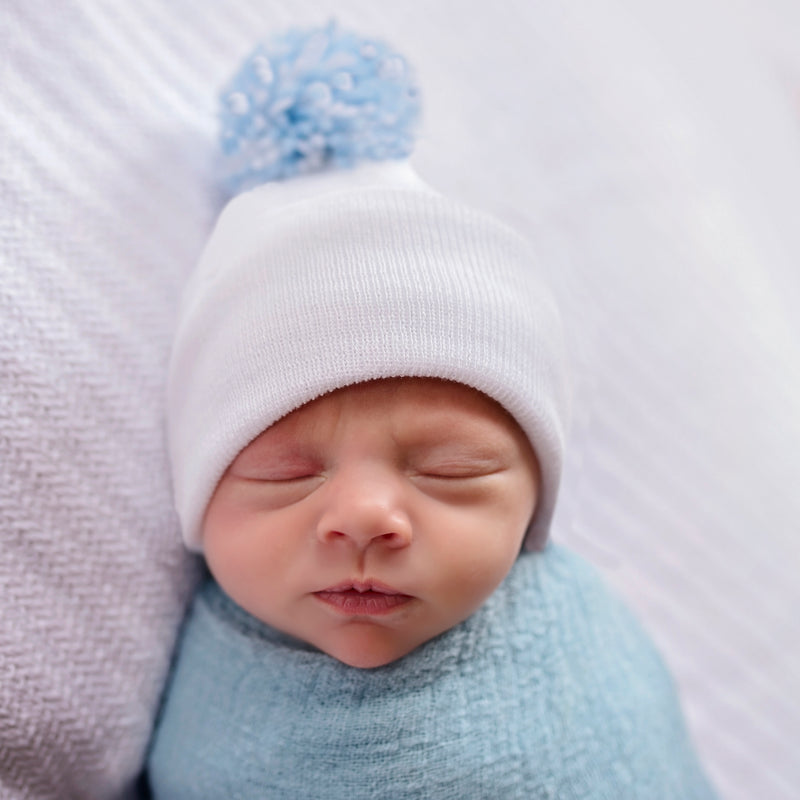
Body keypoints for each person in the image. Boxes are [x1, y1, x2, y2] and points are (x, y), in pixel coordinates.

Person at [147, 23, 717, 798]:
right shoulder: (201, 692)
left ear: (533, 511)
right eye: (286, 473)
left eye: (452, 470)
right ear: (197, 499)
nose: (365, 517)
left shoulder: (584, 665)